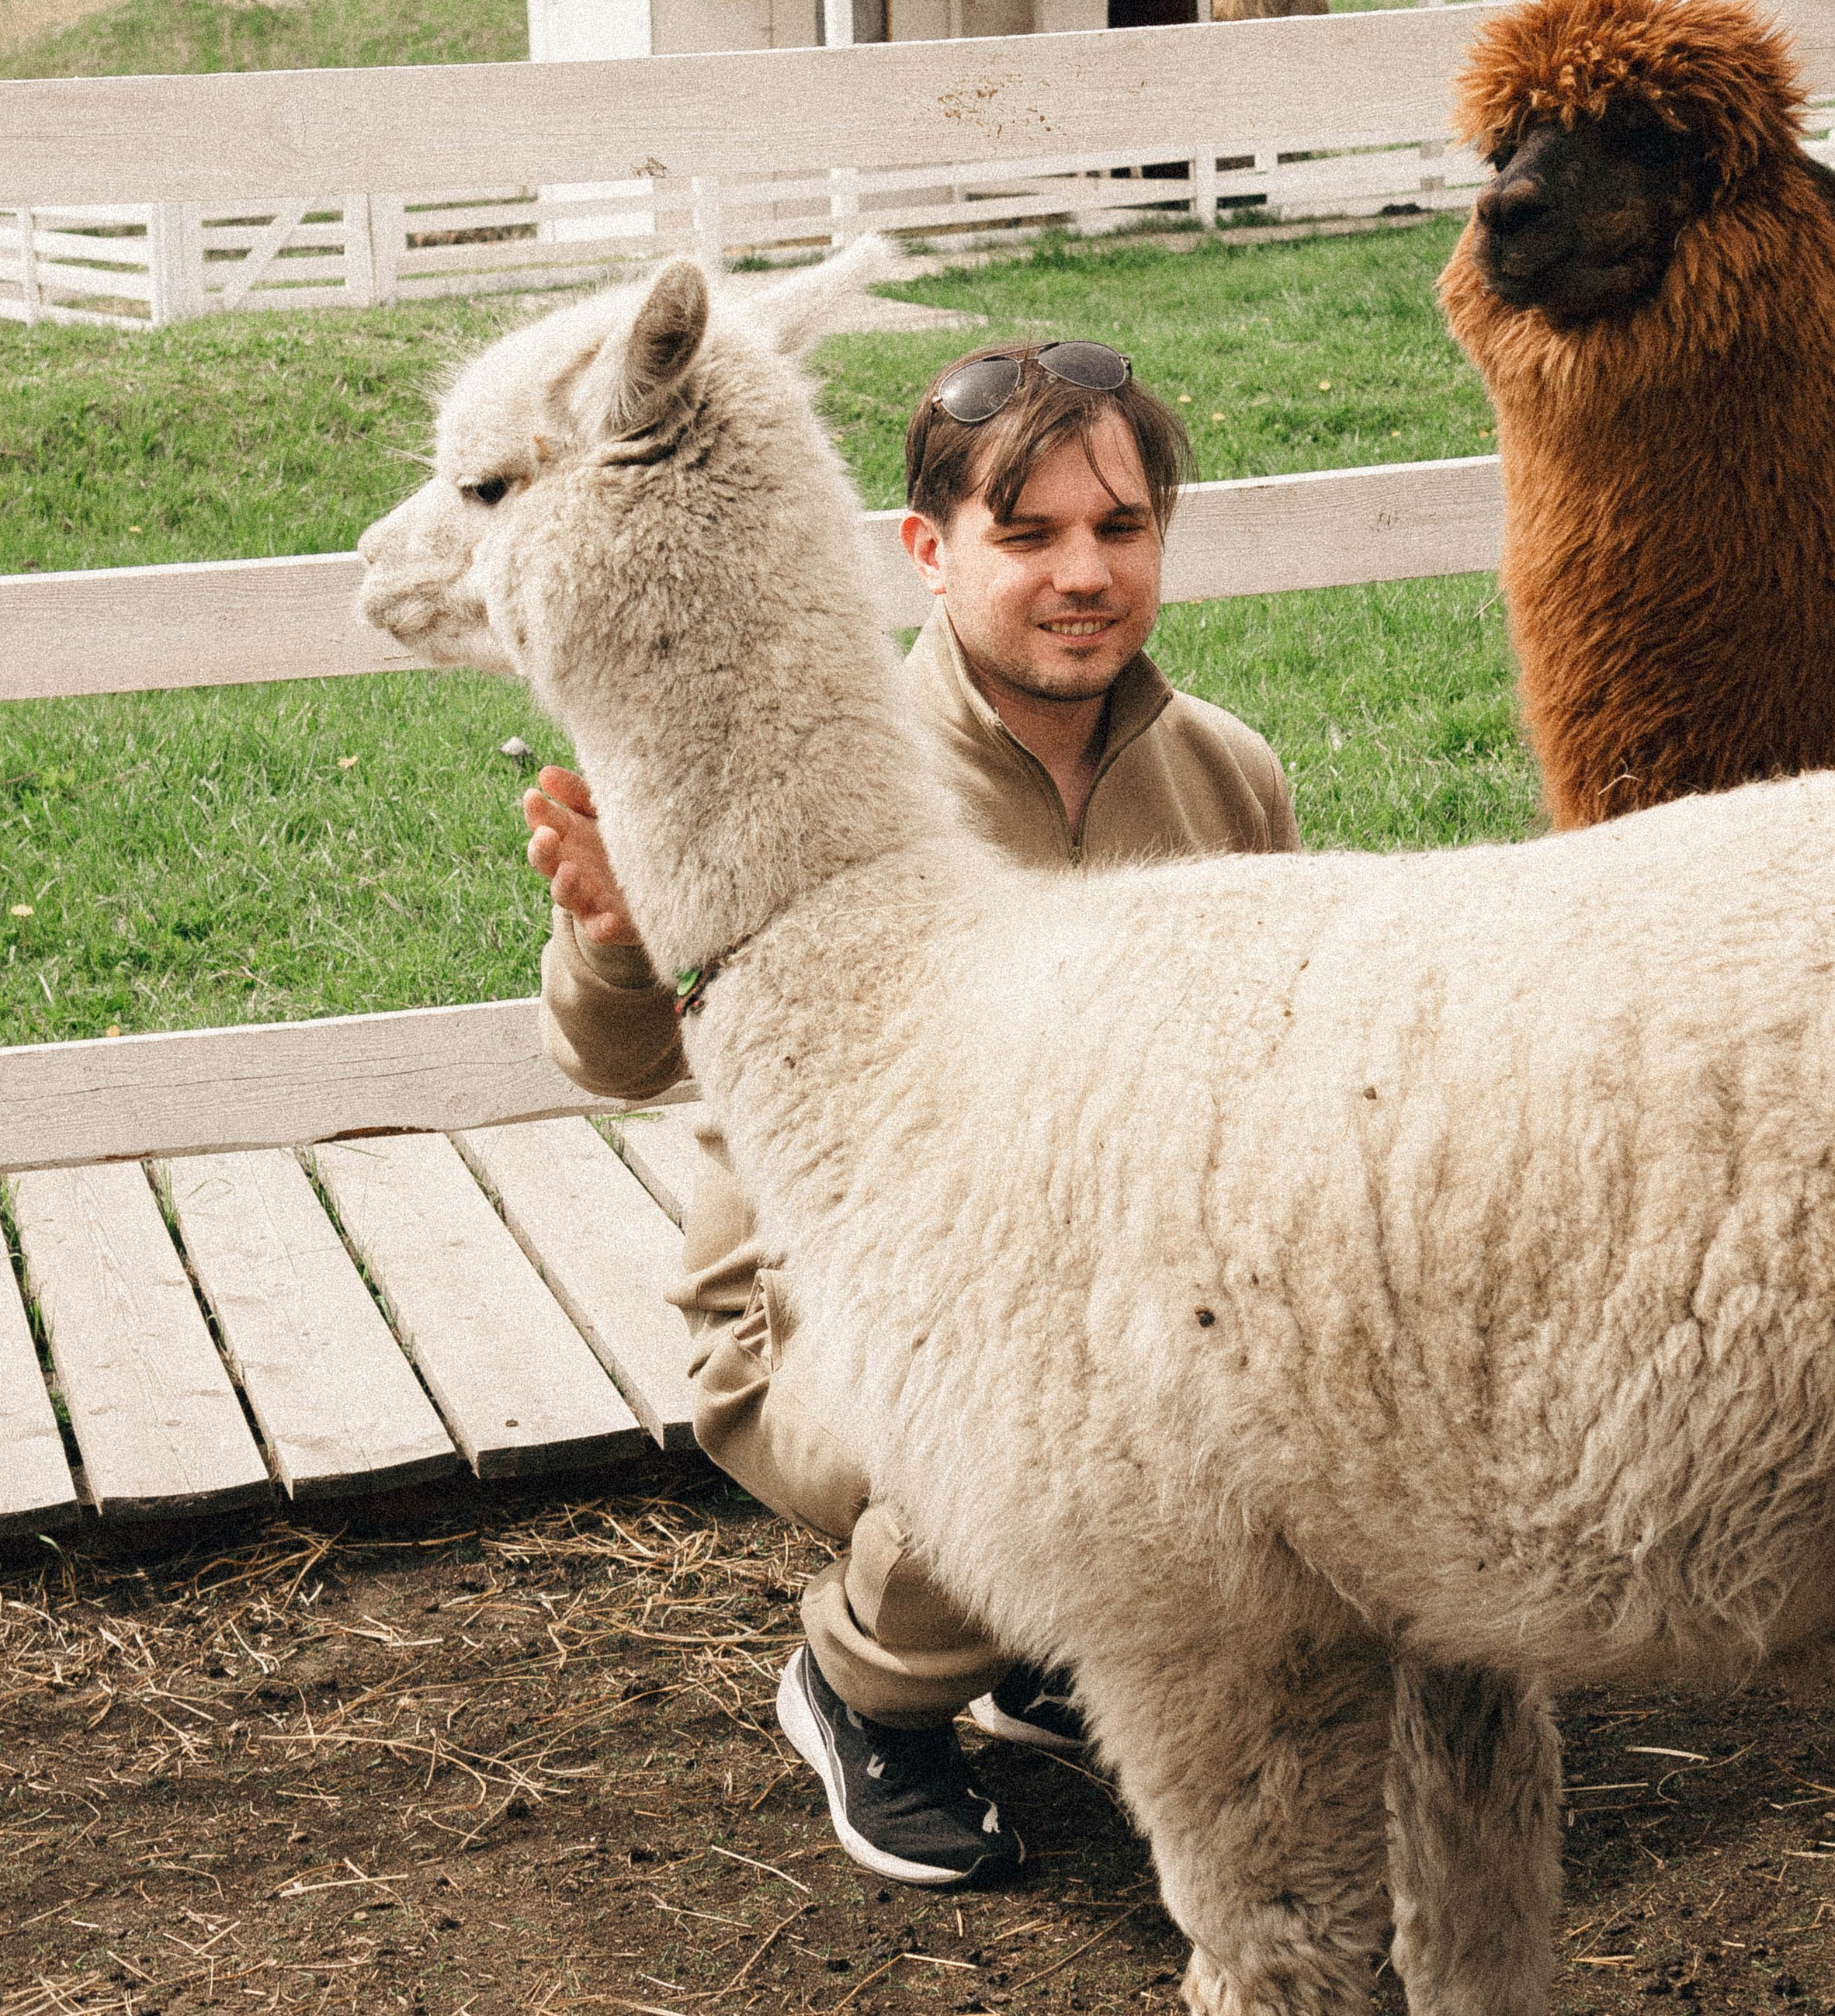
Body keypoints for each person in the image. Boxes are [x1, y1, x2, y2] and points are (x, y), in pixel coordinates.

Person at [526, 338, 1299, 1889]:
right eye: (1028, 534)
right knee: (1046, 1395)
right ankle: (863, 1687)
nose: (1083, 574)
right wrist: (618, 940)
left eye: (1120, 527)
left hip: (1123, 1261)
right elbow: (614, 1064)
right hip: (820, 1308)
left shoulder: (1228, 775)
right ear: (928, 553)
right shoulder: (801, 776)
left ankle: (1050, 1637)